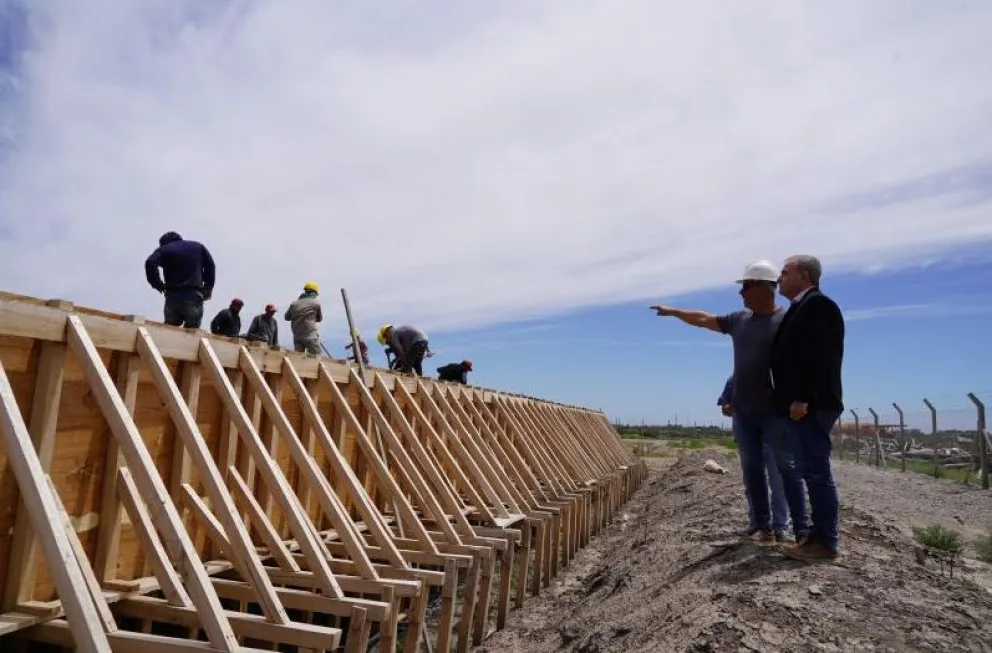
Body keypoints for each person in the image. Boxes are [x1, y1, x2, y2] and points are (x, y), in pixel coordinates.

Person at [651, 260, 808, 545]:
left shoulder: (788, 321)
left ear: (764, 287)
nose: (742, 293)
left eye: (746, 287)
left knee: (786, 472)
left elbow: (805, 363)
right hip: (745, 413)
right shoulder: (739, 320)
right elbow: (703, 319)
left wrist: (801, 399)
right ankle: (761, 525)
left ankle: (796, 530)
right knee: (752, 472)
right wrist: (673, 311)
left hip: (776, 413)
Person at [770, 254, 845, 561]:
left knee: (815, 471)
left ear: (804, 275)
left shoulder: (819, 306)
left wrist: (803, 397)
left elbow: (820, 357)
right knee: (809, 469)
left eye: (784, 273)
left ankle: (825, 541)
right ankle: (815, 536)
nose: (779, 279)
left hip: (811, 404)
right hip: (801, 404)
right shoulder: (800, 307)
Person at [718, 373, 790, 539]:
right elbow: (725, 408)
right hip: (748, 439)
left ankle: (781, 525)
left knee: (778, 482)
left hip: (775, 439)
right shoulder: (735, 378)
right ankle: (758, 523)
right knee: (752, 482)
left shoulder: (776, 376)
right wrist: (737, 406)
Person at [144, 231, 215, 328]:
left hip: (172, 297)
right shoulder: (198, 247)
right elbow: (210, 266)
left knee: (170, 330)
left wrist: (158, 284)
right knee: (192, 333)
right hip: (193, 296)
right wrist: (208, 287)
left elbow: (150, 263)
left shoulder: (164, 249)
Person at [285, 282, 323, 355]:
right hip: (310, 336)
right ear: (314, 293)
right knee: (316, 359)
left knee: (298, 360)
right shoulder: (316, 303)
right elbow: (319, 319)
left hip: (297, 337)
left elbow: (286, 317)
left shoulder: (294, 304)